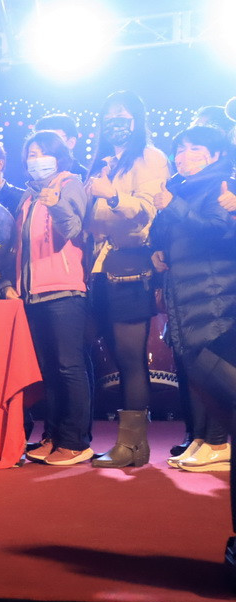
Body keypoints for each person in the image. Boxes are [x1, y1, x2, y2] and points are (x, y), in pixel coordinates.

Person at [85, 91, 170, 469]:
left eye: (121, 116)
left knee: (131, 357)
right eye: (108, 117)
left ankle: (132, 445)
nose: (114, 123)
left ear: (137, 119)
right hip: (102, 268)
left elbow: (146, 210)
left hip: (132, 264)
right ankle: (128, 445)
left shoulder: (149, 157)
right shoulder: (105, 163)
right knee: (117, 357)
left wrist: (113, 196)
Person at [2, 131, 93, 466]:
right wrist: (11, 284)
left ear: (59, 155)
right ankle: (52, 436)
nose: (36, 159)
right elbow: (19, 246)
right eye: (31, 153)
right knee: (49, 371)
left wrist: (55, 203)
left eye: (42, 152)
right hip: (32, 293)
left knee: (69, 367)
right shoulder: (28, 196)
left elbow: (73, 229)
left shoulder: (70, 184)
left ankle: (75, 441)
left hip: (64, 289)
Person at [150, 125, 236, 472]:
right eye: (180, 149)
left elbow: (216, 232)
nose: (185, 156)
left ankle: (217, 441)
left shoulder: (222, 186)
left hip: (213, 294)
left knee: (212, 368)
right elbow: (163, 232)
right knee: (196, 373)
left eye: (195, 148)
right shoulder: (179, 186)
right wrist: (157, 248)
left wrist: (174, 206)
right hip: (184, 292)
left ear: (216, 155)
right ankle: (204, 438)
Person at [32, 115, 89, 181]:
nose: (43, 145)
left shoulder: (86, 179)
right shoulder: (32, 173)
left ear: (71, 142)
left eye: (51, 140)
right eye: (38, 140)